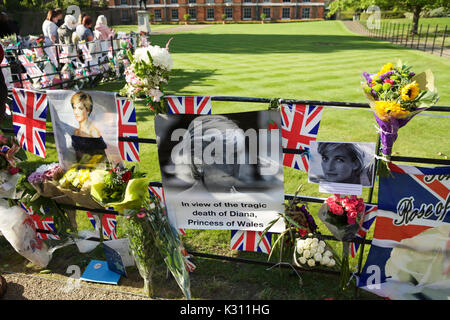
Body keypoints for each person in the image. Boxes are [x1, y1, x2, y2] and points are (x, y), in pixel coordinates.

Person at [172, 115, 247, 194]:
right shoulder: (178, 204)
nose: (229, 164)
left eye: (234, 155)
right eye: (218, 156)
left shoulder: (248, 204)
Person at [70, 92, 107, 164]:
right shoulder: (76, 132)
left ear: (88, 110)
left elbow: (102, 159)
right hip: (80, 170)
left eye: (80, 108)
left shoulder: (93, 132)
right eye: (74, 108)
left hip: (94, 170)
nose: (76, 112)